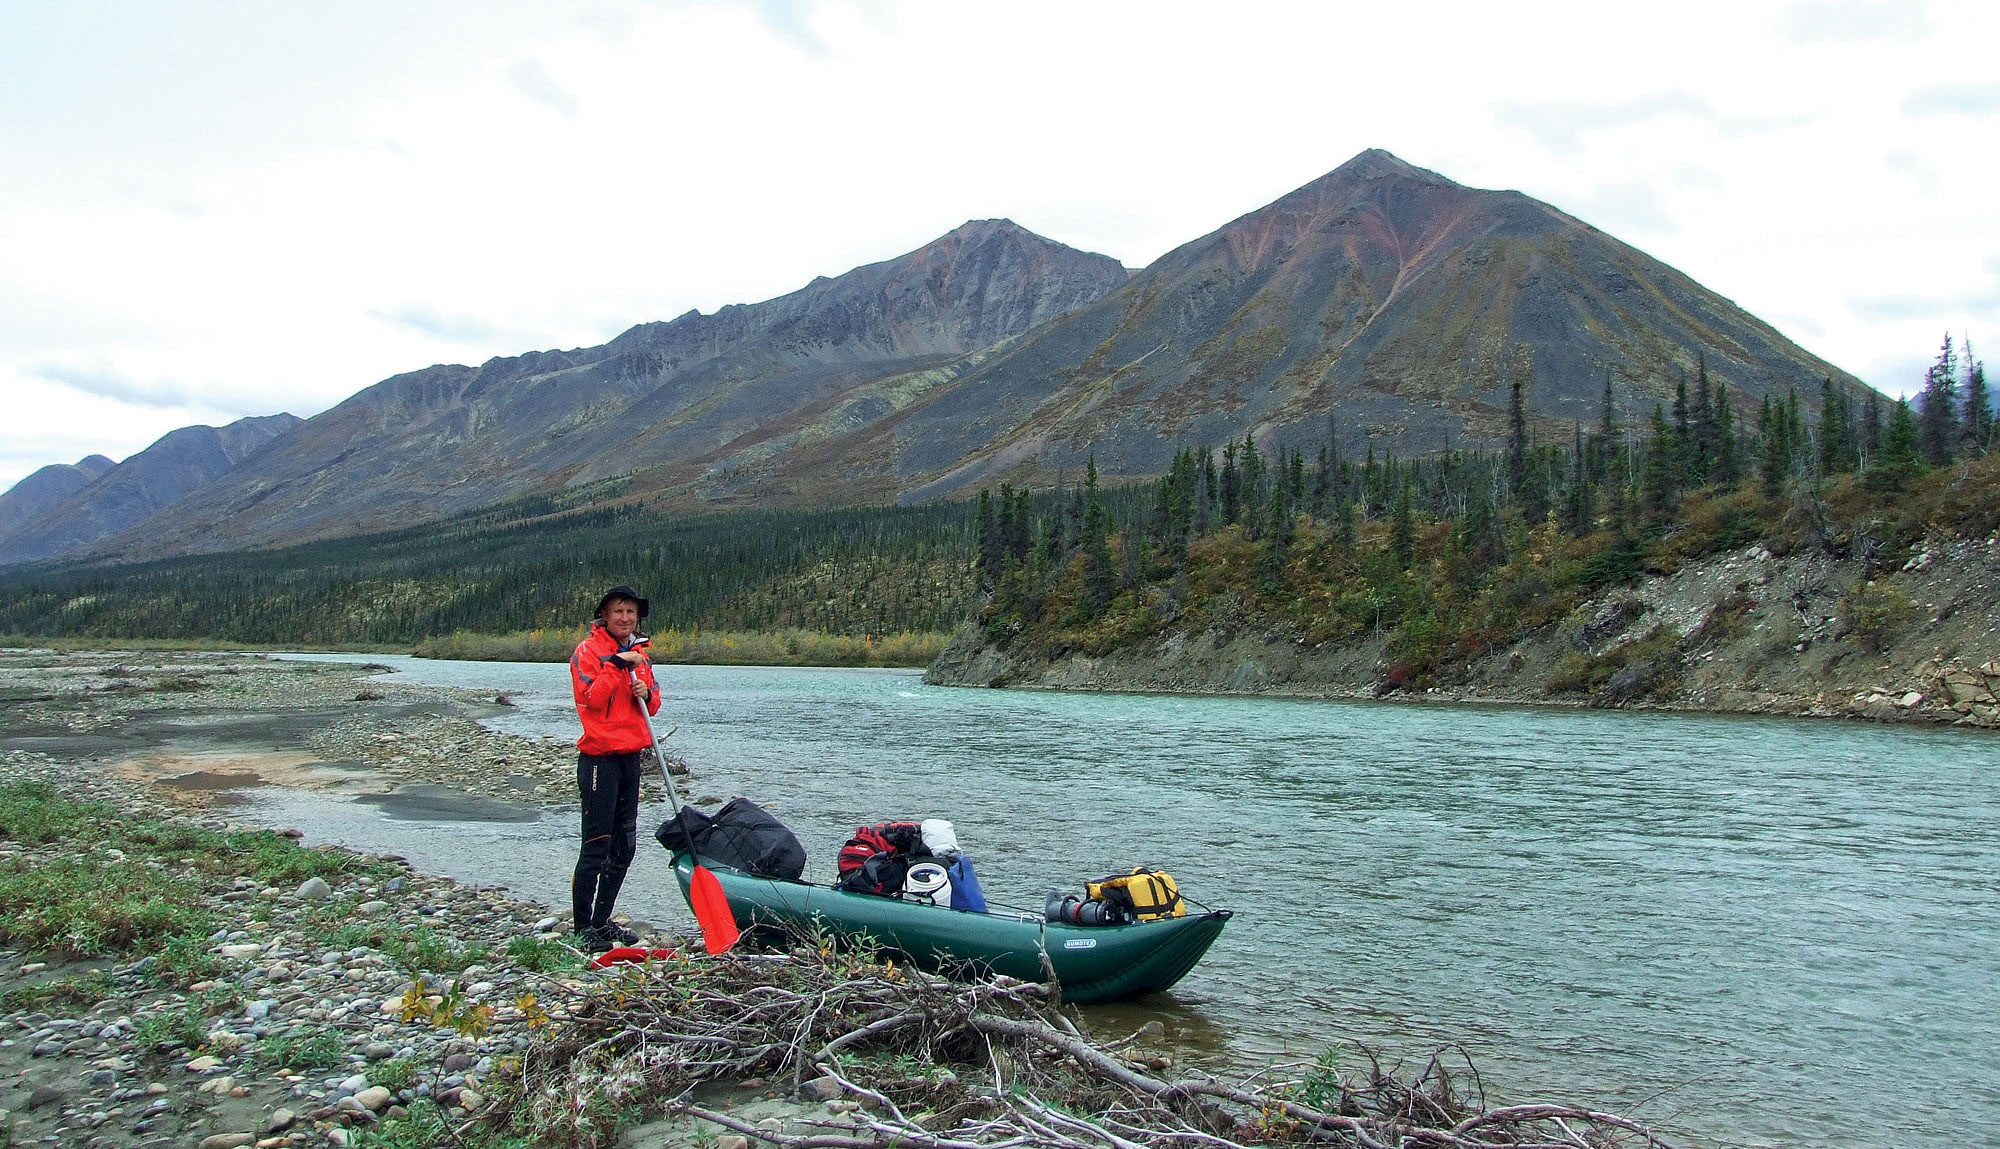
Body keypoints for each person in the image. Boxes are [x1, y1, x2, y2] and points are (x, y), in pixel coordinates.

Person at [568, 584, 662, 952]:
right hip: (598, 760)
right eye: (618, 612)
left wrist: (646, 692)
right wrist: (616, 668)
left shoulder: (641, 655)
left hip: (630, 759)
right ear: (604, 616)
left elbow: (652, 707)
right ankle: (582, 928)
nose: (625, 618)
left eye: (631, 613)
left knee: (624, 847)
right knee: (595, 846)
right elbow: (590, 699)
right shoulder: (587, 652)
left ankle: (602, 921)